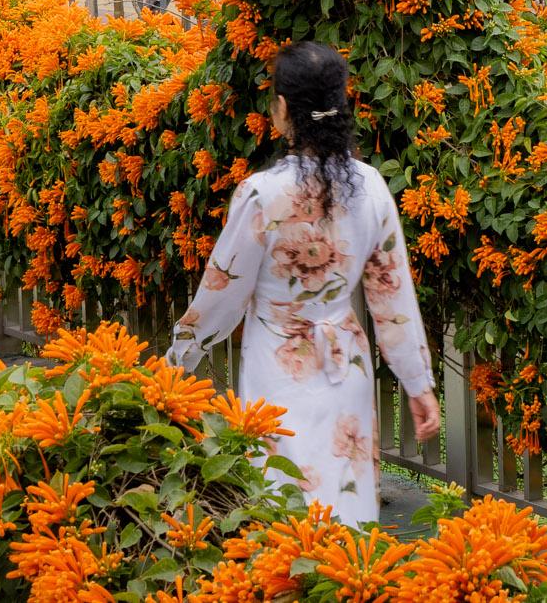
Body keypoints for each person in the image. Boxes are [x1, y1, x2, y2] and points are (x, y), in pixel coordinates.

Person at [166, 41, 441, 524]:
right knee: (345, 511)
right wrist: (418, 384)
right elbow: (392, 296)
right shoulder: (372, 186)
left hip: (278, 369)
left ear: (281, 110)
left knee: (280, 510)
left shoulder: (262, 196)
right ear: (343, 105)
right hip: (345, 369)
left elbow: (221, 292)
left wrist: (178, 362)